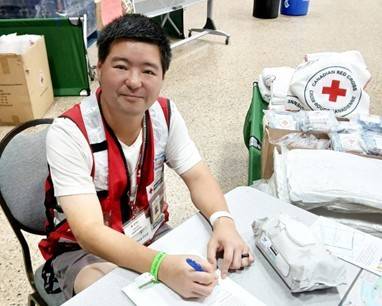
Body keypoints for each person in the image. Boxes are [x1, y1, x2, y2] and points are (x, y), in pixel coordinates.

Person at [39, 13, 254, 301]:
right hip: (84, 252)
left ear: (163, 77)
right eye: (121, 66)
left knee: (212, 280)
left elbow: (198, 175)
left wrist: (223, 221)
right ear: (99, 68)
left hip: (150, 232)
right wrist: (160, 265)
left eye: (149, 71)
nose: (134, 81)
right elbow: (88, 232)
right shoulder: (69, 133)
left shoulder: (164, 114)